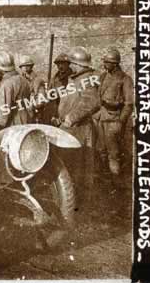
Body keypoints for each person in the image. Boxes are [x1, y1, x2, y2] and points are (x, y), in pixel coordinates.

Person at [57, 46, 101, 203]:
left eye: (73, 63)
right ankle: (70, 199)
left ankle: (80, 203)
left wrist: (71, 117)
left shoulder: (87, 79)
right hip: (70, 128)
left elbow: (92, 102)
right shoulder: (75, 79)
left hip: (79, 129)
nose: (70, 66)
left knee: (79, 167)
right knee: (69, 165)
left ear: (79, 64)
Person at [95, 48, 134, 176]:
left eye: (107, 62)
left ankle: (116, 179)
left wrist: (121, 121)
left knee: (114, 153)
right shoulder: (103, 76)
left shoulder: (125, 79)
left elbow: (129, 104)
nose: (104, 64)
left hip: (114, 119)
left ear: (115, 64)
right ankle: (105, 179)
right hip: (101, 118)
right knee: (101, 149)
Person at [0, 52, 34, 131]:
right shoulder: (23, 80)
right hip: (26, 122)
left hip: (12, 127)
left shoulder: (7, 85)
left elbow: (1, 118)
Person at [41, 53, 73, 125]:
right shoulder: (55, 77)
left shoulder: (72, 77)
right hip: (52, 109)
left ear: (68, 64)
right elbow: (49, 93)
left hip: (65, 110)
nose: (60, 66)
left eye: (63, 64)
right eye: (58, 64)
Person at [19, 55, 46, 121]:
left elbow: (41, 100)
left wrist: (31, 105)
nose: (24, 68)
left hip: (33, 115)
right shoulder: (19, 80)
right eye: (22, 66)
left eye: (26, 66)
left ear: (31, 66)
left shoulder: (38, 81)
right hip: (21, 115)